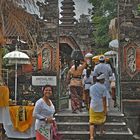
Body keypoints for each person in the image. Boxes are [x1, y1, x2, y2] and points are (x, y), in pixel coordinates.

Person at [89, 74, 107, 140]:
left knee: (92, 122)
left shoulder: (91, 87)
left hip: (93, 105)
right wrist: (105, 109)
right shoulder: (103, 88)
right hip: (100, 105)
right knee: (102, 120)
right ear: (101, 80)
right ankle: (101, 132)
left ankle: (91, 137)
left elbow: (90, 97)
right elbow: (104, 99)